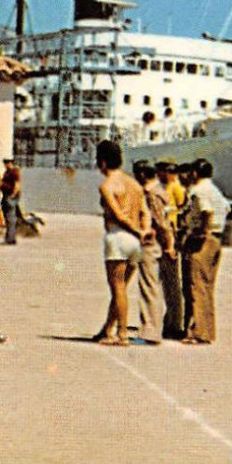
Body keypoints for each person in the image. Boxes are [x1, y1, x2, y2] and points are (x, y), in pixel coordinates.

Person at [93, 141, 149, 347]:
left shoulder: (106, 185)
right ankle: (107, 329)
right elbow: (144, 212)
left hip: (118, 237)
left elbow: (118, 215)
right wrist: (144, 231)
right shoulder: (134, 184)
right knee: (122, 288)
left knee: (117, 288)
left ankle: (122, 333)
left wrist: (137, 230)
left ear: (103, 162)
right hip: (136, 242)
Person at [181, 159, 228, 344]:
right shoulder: (216, 191)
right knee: (207, 287)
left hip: (203, 239)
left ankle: (198, 332)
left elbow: (206, 211)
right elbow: (226, 208)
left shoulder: (199, 191)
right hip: (217, 238)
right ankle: (208, 330)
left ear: (195, 173)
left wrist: (201, 231)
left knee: (197, 285)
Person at [129, 160, 170, 344]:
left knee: (149, 287)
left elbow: (161, 223)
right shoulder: (158, 191)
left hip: (151, 243)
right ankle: (151, 328)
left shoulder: (152, 194)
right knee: (151, 286)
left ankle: (150, 331)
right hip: (154, 242)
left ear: (142, 175)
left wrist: (168, 244)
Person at [156, 161, 187, 337]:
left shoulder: (175, 187)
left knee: (172, 282)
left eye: (161, 172)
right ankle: (170, 319)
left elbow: (182, 204)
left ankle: (175, 322)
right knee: (168, 282)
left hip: (171, 233)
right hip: (167, 233)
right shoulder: (165, 186)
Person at [0, 158, 22, 245]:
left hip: (10, 196)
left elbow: (17, 184)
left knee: (11, 217)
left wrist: (13, 194)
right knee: (7, 218)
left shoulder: (14, 171)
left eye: (7, 163)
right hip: (6, 195)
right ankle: (9, 237)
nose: (6, 164)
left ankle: (11, 238)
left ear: (11, 163)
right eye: (5, 163)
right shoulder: (7, 172)